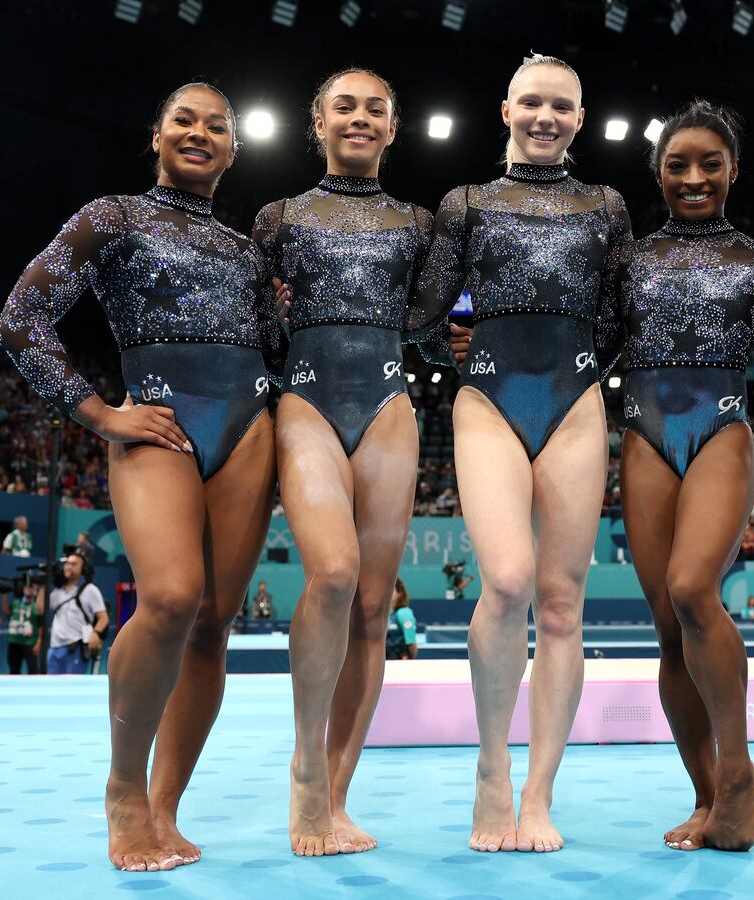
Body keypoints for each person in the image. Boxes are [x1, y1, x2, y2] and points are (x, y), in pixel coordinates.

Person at [0, 82, 283, 873]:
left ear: (233, 148)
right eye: (183, 121)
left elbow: (276, 350)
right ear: (156, 135)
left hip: (250, 430)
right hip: (156, 422)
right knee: (167, 598)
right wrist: (98, 413)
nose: (198, 134)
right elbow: (20, 319)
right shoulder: (111, 216)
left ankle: (164, 808)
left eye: (216, 126)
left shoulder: (246, 250)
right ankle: (124, 792)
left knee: (213, 623)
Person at [414, 53, 633, 855]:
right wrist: (452, 351)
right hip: (487, 400)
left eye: (562, 107)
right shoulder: (466, 203)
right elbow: (424, 311)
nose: (546, 117)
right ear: (505, 110)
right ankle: (491, 765)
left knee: (564, 602)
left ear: (580, 118)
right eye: (532, 103)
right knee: (506, 581)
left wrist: (586, 374)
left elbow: (620, 314)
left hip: (574, 402)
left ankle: (540, 794)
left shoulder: (605, 204)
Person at [258, 68, 471, 858]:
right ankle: (306, 769)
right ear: (317, 122)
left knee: (375, 611)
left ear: (392, 127)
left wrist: (459, 336)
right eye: (343, 106)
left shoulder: (418, 223)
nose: (358, 118)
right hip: (307, 400)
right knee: (335, 575)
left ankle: (338, 791)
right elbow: (259, 327)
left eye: (373, 109)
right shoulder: (279, 217)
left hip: (387, 407)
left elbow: (427, 320)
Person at [600, 101, 754, 852]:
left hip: (721, 428)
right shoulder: (631, 261)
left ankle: (739, 772)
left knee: (691, 590)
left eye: (709, 163)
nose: (693, 177)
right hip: (645, 434)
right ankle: (708, 796)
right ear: (659, 174)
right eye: (677, 165)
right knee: (666, 628)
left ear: (733, 170)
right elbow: (598, 347)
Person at [48, 553, 108, 675]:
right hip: (54, 648)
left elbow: (103, 618)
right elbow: (40, 609)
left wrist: (95, 634)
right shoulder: (57, 591)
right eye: (67, 563)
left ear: (83, 569)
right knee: (52, 689)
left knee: (71, 690)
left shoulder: (90, 590)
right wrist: (42, 584)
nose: (69, 566)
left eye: (74, 564)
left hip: (75, 648)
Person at [4, 581, 45, 674]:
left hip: (30, 642)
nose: (28, 590)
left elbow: (41, 625)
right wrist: (4, 596)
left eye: (31, 588)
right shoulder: (16, 602)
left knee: (33, 669)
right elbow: (7, 613)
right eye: (26, 587)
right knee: (13, 669)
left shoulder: (36, 605)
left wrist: (38, 642)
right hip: (14, 641)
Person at [387, 578, 418, 660]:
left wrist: (408, 662)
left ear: (400, 593)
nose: (386, 593)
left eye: (391, 590)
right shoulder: (386, 614)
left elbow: (411, 643)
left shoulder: (404, 613)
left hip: (400, 660)